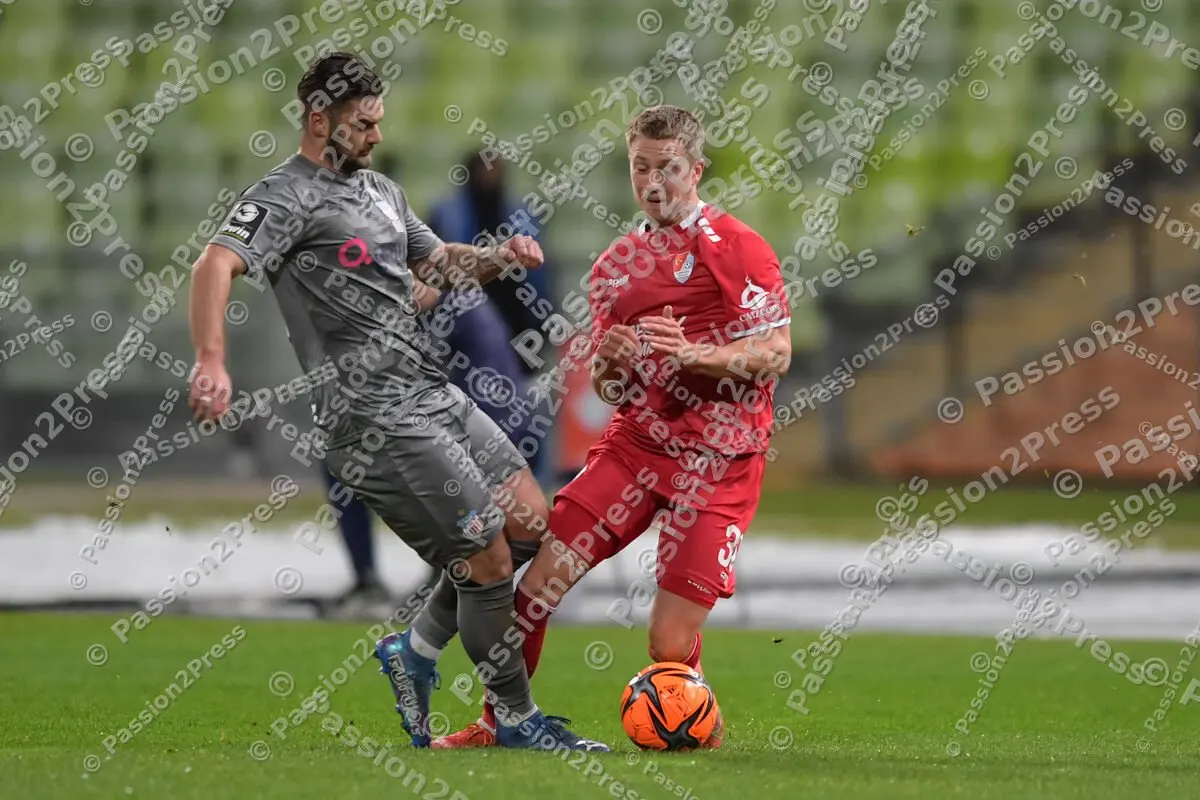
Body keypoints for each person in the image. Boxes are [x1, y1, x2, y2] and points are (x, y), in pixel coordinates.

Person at [186, 52, 608, 753]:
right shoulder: (284, 196)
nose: (378, 134)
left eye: (379, 120)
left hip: (433, 392)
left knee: (532, 524)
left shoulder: (380, 189)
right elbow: (214, 262)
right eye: (363, 123)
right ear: (318, 120)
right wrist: (210, 359)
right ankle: (515, 719)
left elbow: (438, 263)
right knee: (487, 558)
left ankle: (415, 649)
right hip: (374, 418)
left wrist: (498, 258)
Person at [432, 105, 791, 749]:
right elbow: (610, 390)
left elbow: (775, 352)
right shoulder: (615, 266)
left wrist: (694, 355)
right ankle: (501, 723)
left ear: (696, 170)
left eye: (668, 168)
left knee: (668, 646)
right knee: (535, 588)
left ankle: (691, 714)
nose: (653, 182)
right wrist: (611, 365)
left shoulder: (738, 247)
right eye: (640, 167)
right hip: (635, 450)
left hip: (720, 461)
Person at [425, 153, 554, 482]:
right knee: (472, 409)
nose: (490, 177)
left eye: (496, 170)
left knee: (521, 410)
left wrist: (543, 323)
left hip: (518, 328)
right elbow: (434, 271)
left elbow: (541, 274)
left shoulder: (520, 214)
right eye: (484, 170)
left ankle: (526, 479)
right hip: (465, 331)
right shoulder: (448, 213)